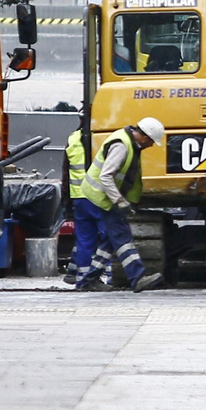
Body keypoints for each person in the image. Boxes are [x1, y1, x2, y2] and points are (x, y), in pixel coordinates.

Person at [75, 117, 168, 292]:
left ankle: (88, 280)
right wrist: (119, 201)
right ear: (144, 136)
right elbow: (105, 177)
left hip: (104, 197)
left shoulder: (129, 143)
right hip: (102, 197)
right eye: (151, 141)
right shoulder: (122, 146)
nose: (150, 146)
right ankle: (137, 278)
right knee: (122, 237)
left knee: (110, 240)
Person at [62, 124, 90, 287]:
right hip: (96, 195)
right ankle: (104, 276)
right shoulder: (100, 137)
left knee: (84, 237)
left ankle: (74, 272)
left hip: (77, 195)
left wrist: (66, 200)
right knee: (101, 236)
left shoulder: (73, 138)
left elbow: (65, 172)